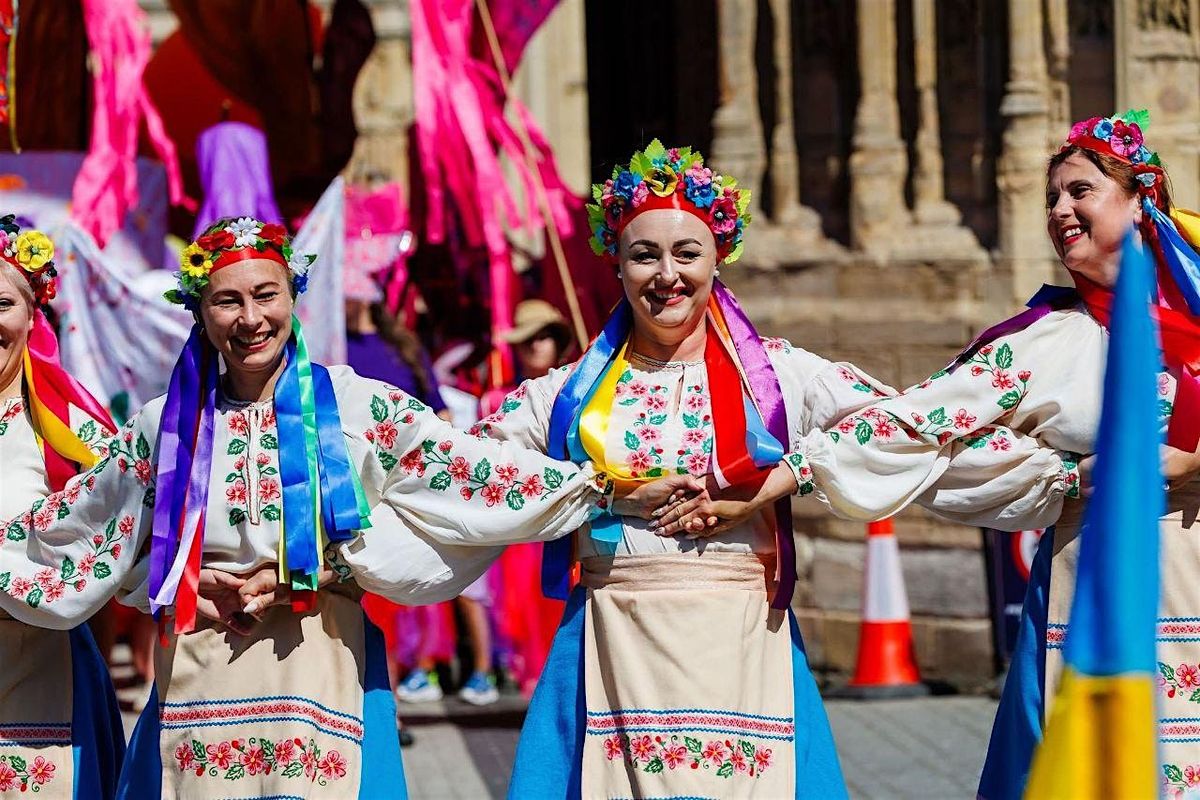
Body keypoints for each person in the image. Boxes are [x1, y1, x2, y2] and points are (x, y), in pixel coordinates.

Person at [0, 216, 693, 799]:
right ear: (200, 311)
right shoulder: (165, 425)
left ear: (293, 297)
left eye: (266, 295)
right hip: (202, 675)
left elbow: (469, 475)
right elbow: (88, 531)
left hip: (317, 665)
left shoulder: (355, 406)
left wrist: (602, 485)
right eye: (226, 301)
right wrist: (182, 578)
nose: (250, 319)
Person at [474, 141, 1062, 798]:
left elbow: (904, 427)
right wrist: (607, 492)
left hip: (742, 649)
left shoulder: (780, 378)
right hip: (610, 648)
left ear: (718, 257)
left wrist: (1061, 471)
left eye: (686, 253)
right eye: (644, 255)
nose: (666, 274)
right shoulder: (563, 397)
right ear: (616, 263)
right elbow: (472, 473)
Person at [660, 113, 1200, 799]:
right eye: (1051, 198)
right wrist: (786, 475)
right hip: (1089, 582)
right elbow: (915, 423)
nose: (1060, 210)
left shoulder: (1196, 323)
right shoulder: (1043, 344)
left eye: (1081, 191)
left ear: (1138, 198)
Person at [0, 216, 126, 798]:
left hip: (39, 667)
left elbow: (131, 525)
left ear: (32, 314)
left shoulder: (69, 426)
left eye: (2, 303)